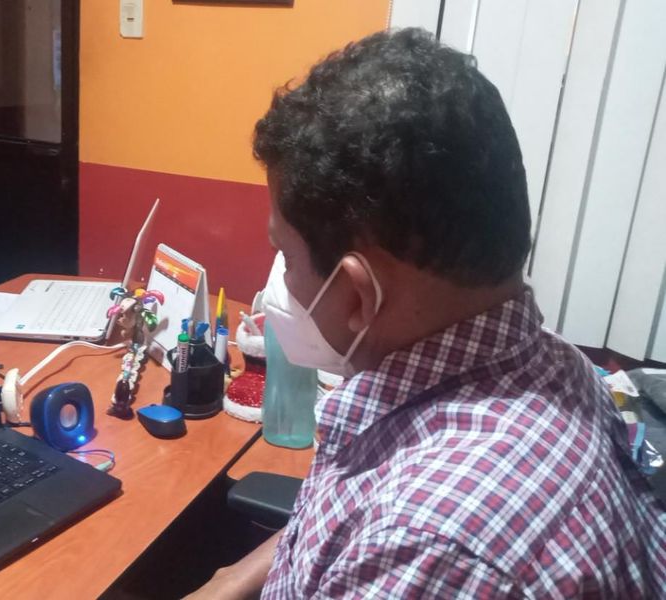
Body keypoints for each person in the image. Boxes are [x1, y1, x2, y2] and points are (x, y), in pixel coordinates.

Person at [188, 28, 666, 598]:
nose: (281, 279)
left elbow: (409, 534)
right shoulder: (553, 365)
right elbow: (348, 510)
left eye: (286, 256)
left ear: (358, 296)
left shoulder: (429, 549)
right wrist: (235, 578)